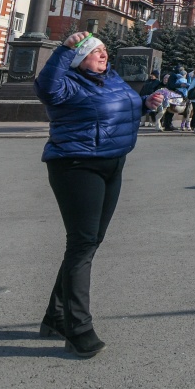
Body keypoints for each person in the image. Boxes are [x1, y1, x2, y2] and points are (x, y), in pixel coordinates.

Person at [35, 32, 166, 358]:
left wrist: (146, 106)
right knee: (82, 244)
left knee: (90, 242)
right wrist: (64, 49)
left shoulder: (111, 78)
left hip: (113, 165)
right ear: (79, 58)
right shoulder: (66, 84)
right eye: (95, 51)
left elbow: (125, 107)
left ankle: (55, 315)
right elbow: (45, 87)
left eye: (105, 50)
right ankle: (77, 326)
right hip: (76, 166)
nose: (103, 55)